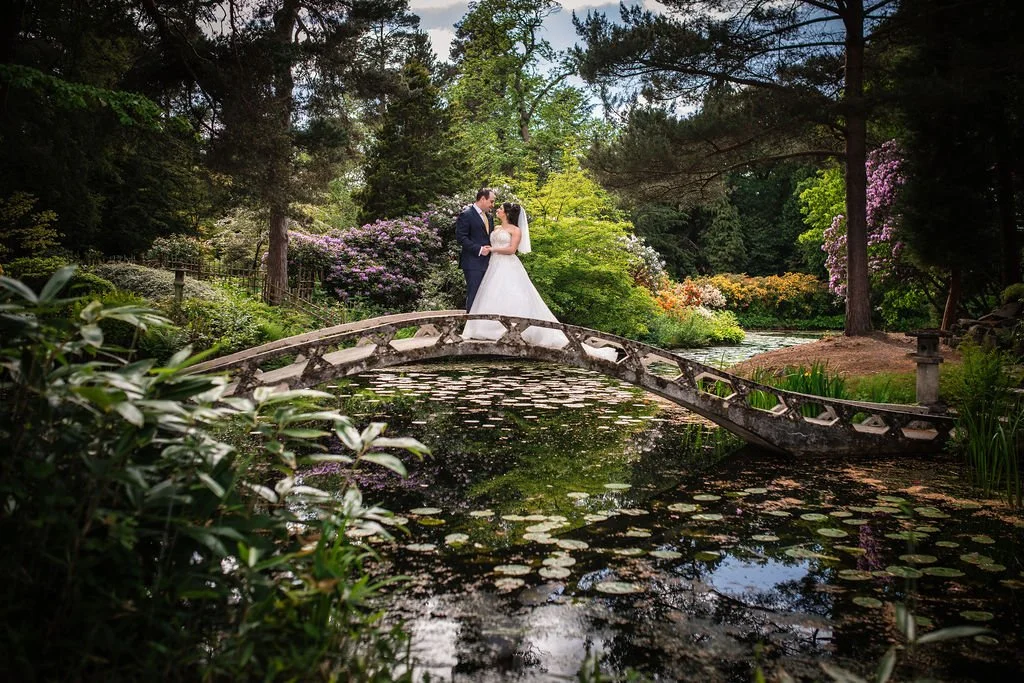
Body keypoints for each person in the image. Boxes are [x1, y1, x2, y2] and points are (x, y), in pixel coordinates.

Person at [462, 202, 618, 362]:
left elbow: (511, 250)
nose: (498, 210)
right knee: (492, 295)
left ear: (507, 213)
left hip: (508, 265)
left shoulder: (516, 230)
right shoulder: (496, 229)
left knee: (512, 294)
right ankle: (487, 329)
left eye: (501, 208)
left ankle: (517, 331)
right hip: (493, 265)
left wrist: (493, 249)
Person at [455, 188, 496, 311]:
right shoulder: (466, 215)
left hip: (489, 263)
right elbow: (461, 238)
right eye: (491, 201)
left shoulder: (489, 217)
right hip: (472, 262)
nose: (493, 205)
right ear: (482, 199)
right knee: (474, 295)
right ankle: (470, 327)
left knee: (487, 296)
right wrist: (479, 249)